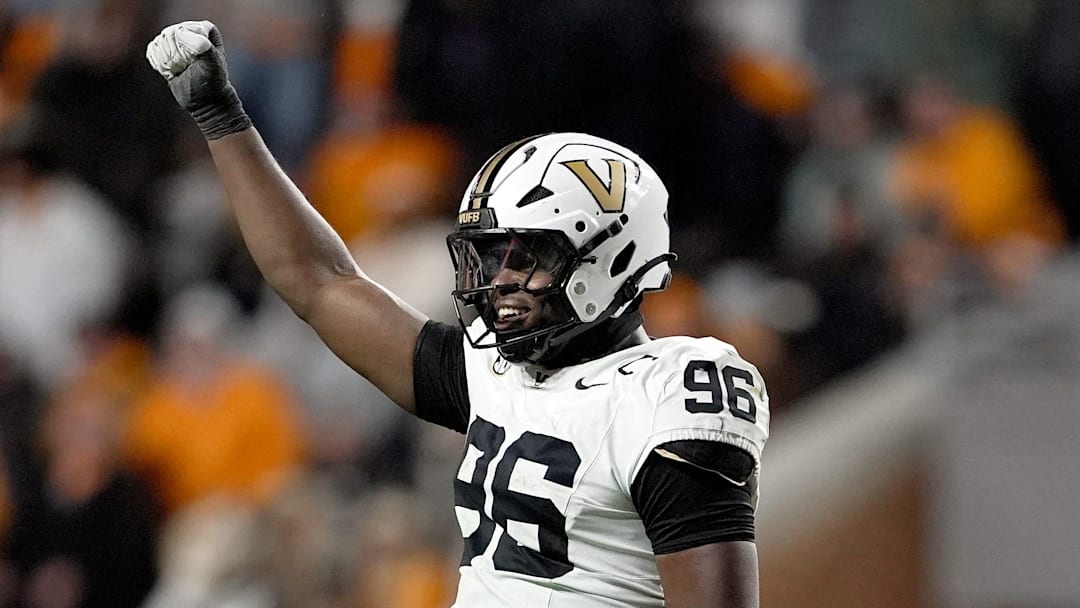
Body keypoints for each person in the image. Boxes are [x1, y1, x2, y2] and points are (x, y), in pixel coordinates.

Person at [146, 20, 770, 607]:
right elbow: (318, 283)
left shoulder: (665, 395)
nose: (498, 283)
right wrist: (222, 118)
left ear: (611, 256)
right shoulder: (493, 373)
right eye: (489, 257)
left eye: (526, 257)